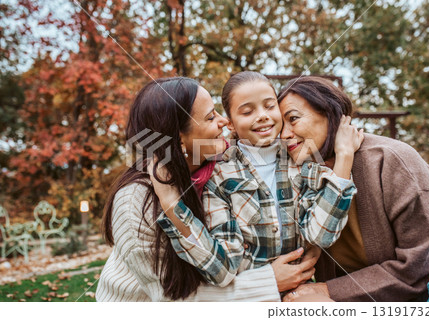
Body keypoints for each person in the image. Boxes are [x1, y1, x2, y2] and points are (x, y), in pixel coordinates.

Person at [96, 77, 320, 302]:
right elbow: (170, 300)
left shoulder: (215, 166)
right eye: (211, 117)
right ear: (180, 139)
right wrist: (270, 281)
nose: (224, 121)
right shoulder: (134, 201)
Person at [155, 72, 363, 290]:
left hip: (301, 292)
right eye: (247, 111)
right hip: (249, 299)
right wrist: (173, 207)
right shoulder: (219, 176)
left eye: (269, 106)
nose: (263, 115)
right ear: (231, 124)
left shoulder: (300, 160)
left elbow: (320, 235)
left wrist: (344, 157)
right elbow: (221, 271)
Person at [279, 76, 429, 302]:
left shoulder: (394, 161)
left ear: (330, 114)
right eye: (279, 127)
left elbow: (419, 267)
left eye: (293, 119)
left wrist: (329, 291)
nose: (284, 135)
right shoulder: (298, 174)